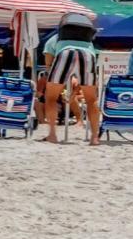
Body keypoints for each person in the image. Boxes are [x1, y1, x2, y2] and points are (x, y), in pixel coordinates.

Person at [40, 12, 102, 144]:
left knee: (50, 98)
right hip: (87, 56)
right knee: (91, 100)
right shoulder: (88, 42)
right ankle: (94, 137)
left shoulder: (55, 39)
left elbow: (48, 64)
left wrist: (60, 80)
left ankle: (52, 135)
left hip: (65, 54)